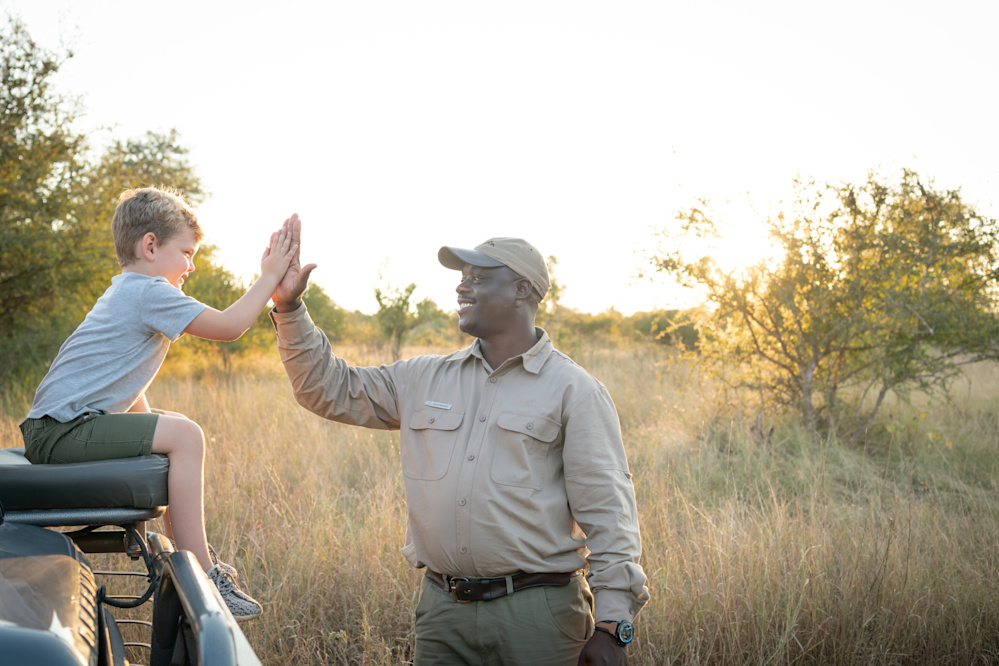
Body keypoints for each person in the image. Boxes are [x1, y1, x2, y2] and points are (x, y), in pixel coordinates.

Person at [270, 226, 650, 665]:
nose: (461, 286)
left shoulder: (575, 391)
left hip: (539, 616)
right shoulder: (422, 378)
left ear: (522, 290)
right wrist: (289, 305)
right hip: (443, 612)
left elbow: (610, 514)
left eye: (479, 277)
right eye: (462, 276)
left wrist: (611, 626)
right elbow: (326, 388)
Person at [19, 186, 297, 621]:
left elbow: (124, 386)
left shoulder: (125, 290)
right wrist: (270, 276)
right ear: (150, 246)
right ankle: (204, 574)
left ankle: (185, 558)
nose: (190, 265)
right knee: (187, 435)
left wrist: (148, 439)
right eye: (186, 253)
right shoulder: (149, 291)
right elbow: (229, 326)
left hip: (53, 429)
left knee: (172, 426)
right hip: (61, 431)